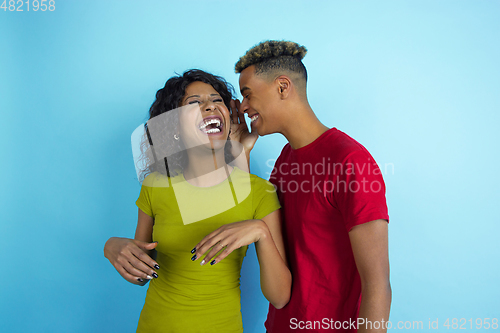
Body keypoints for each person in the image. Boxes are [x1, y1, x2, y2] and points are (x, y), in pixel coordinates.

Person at [103, 69, 291, 332]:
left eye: (217, 100)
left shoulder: (259, 192)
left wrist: (261, 232)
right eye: (194, 103)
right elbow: (141, 275)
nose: (210, 106)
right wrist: (112, 247)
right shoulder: (155, 185)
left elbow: (280, 297)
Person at [230, 41, 391, 332]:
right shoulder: (284, 160)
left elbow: (377, 284)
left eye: (247, 94)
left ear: (282, 87)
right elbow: (256, 228)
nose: (243, 107)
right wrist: (241, 155)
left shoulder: (351, 161)